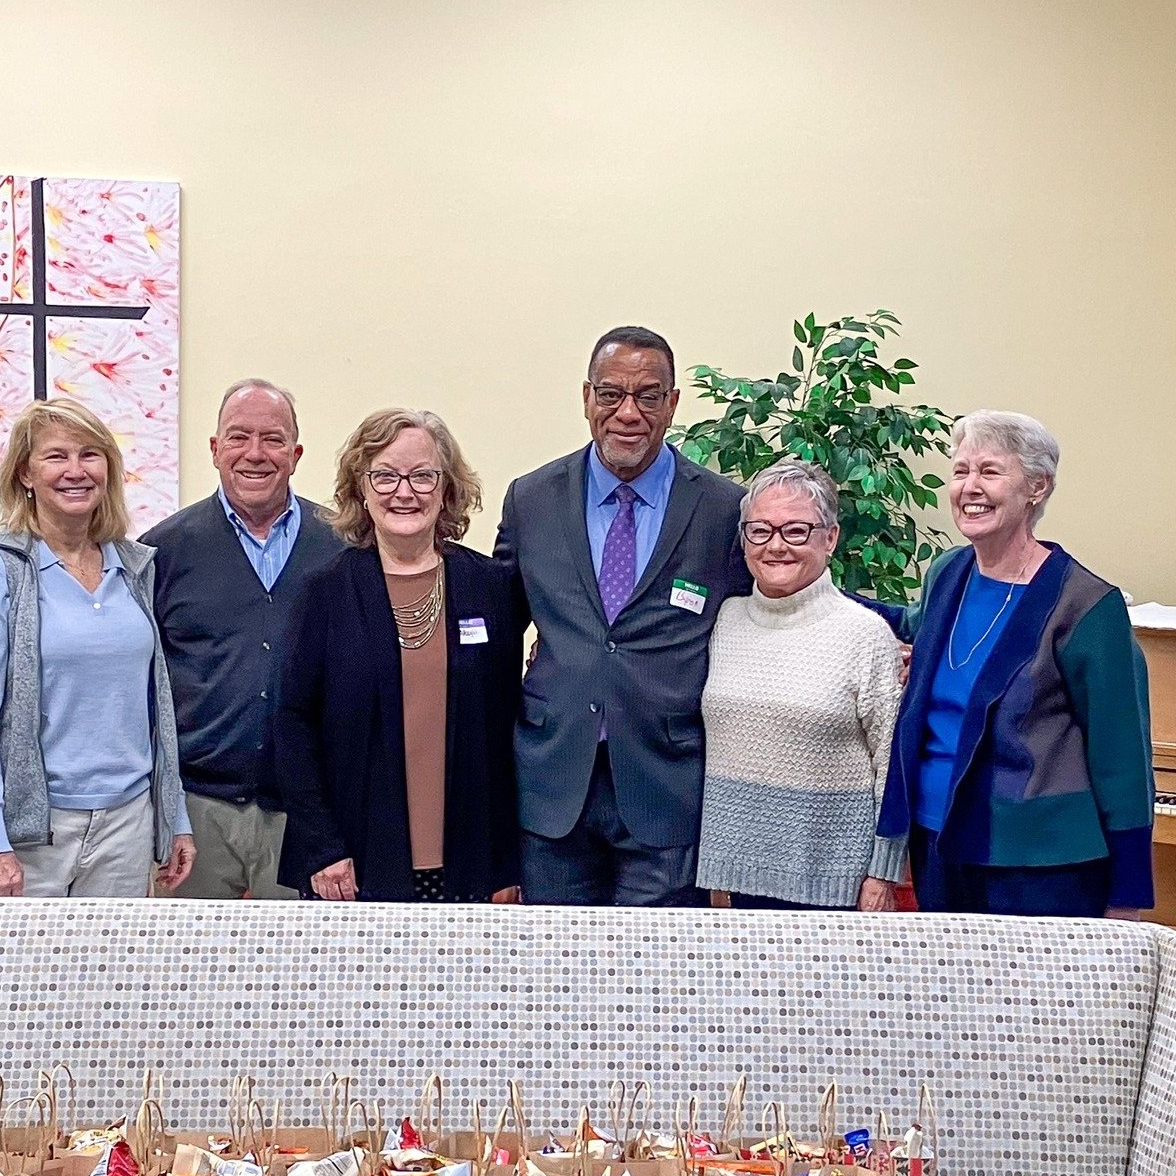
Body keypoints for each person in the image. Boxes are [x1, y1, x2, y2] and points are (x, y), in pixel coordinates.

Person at [493, 325, 751, 906]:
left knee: (659, 963)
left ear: (673, 403)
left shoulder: (722, 509)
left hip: (667, 788)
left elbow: (769, 607)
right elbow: (499, 628)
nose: (628, 413)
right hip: (553, 784)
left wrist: (892, 630)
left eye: (648, 396)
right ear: (586, 398)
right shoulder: (531, 499)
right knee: (556, 960)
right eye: (610, 394)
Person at [876, 410, 1154, 917]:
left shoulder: (1086, 605)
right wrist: (809, 585)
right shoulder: (948, 572)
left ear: (1037, 487)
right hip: (935, 841)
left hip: (1041, 863)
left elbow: (1122, 759)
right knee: (950, 974)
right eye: (961, 471)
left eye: (990, 471)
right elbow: (910, 626)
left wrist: (1128, 894)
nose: (970, 487)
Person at [0, 399, 194, 899]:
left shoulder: (136, 567)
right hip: (28, 832)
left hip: (128, 824)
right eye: (56, 456)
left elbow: (155, 708)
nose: (76, 471)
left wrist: (175, 816)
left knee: (113, 956)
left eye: (90, 455)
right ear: (25, 473)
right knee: (18, 958)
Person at [276, 408, 521, 902]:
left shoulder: (491, 588)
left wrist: (506, 862)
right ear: (361, 490)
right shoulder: (325, 593)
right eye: (385, 476)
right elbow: (292, 725)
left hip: (471, 864)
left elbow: (506, 729)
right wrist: (322, 847)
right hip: (352, 864)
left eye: (422, 476)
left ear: (446, 488)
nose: (404, 492)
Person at [142, 380, 342, 898]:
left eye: (273, 439)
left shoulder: (343, 547)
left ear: (296, 454)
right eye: (238, 437)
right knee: (187, 951)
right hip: (194, 814)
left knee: (302, 951)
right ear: (214, 449)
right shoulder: (161, 552)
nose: (255, 454)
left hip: (307, 817)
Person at [697, 461, 905, 910]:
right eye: (760, 531)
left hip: (835, 887)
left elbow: (894, 765)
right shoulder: (724, 621)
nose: (776, 546)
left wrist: (883, 872)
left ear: (830, 538)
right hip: (729, 886)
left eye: (796, 531)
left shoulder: (864, 635)